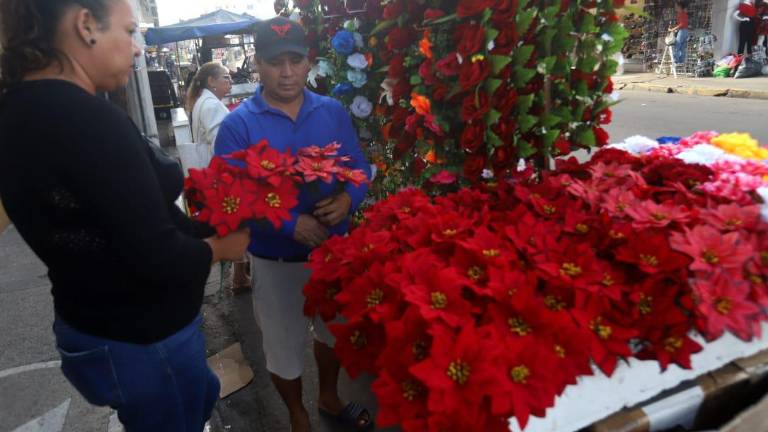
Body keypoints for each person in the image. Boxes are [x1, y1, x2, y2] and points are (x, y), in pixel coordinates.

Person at [0, 1, 250, 431]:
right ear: (85, 26)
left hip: (90, 326)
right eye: (131, 30)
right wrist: (224, 247)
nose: (137, 49)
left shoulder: (16, 110)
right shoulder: (86, 118)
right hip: (144, 340)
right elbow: (157, 255)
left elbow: (112, 219)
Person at [214, 16, 373, 432]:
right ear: (256, 64)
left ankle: (329, 396)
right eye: (275, 62)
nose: (286, 72)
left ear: (308, 62)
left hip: (333, 256)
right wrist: (289, 223)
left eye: (295, 60)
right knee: (283, 349)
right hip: (276, 261)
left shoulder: (333, 112)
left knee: (332, 334)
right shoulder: (238, 126)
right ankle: (297, 415)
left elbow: (359, 165)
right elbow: (229, 197)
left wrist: (347, 198)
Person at [185, 62, 250, 291]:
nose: (229, 81)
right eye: (225, 77)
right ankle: (239, 277)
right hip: (221, 176)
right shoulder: (211, 105)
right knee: (235, 223)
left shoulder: (204, 101)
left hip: (211, 173)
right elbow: (220, 143)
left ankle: (239, 275)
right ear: (211, 81)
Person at [669, 0, 690, 65]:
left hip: (682, 31)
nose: (675, 7)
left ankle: (676, 61)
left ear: (679, 7)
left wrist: (672, 29)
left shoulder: (681, 14)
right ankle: (681, 61)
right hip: (686, 31)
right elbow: (683, 24)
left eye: (676, 6)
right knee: (682, 47)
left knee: (677, 46)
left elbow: (681, 24)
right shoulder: (684, 14)